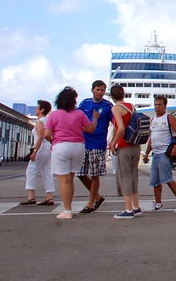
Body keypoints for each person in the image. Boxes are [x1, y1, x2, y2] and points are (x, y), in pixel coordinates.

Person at [44, 87, 100, 219]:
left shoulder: (55, 114)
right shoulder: (80, 114)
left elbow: (46, 134)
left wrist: (53, 141)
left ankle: (67, 210)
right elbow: (90, 129)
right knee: (70, 179)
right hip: (78, 146)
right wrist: (95, 119)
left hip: (61, 146)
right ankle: (68, 209)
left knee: (64, 180)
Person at [142, 96, 176, 213]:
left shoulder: (169, 117)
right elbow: (152, 138)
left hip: (164, 153)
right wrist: (147, 152)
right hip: (155, 153)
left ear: (165, 106)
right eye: (156, 104)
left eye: (160, 105)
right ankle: (158, 203)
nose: (157, 107)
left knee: (167, 178)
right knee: (155, 180)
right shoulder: (153, 120)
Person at [77, 80, 113, 214]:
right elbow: (77, 118)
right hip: (83, 142)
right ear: (92, 90)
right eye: (98, 89)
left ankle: (91, 203)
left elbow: (115, 122)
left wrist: (113, 141)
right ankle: (97, 197)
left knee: (95, 174)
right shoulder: (85, 103)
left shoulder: (108, 106)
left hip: (98, 143)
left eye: (102, 90)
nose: (100, 92)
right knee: (80, 173)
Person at [107, 84, 141, 219]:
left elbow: (120, 128)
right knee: (133, 175)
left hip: (124, 146)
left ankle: (128, 209)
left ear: (112, 96)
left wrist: (113, 143)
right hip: (135, 145)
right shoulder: (131, 106)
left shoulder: (115, 108)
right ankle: (136, 206)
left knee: (124, 176)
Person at [20, 100, 55, 206]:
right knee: (47, 171)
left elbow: (40, 137)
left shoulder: (40, 122)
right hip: (48, 147)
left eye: (37, 108)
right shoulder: (48, 120)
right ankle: (49, 196)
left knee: (31, 170)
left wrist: (34, 151)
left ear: (42, 110)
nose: (35, 110)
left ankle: (31, 196)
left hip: (41, 146)